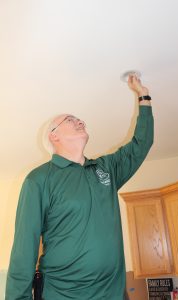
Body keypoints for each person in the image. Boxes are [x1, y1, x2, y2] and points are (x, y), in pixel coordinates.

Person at [5, 75, 154, 300]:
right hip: (63, 294)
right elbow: (24, 250)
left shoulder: (106, 169)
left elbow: (141, 145)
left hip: (113, 293)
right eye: (70, 119)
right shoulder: (39, 179)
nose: (79, 120)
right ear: (53, 136)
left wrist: (144, 96)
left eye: (79, 118)